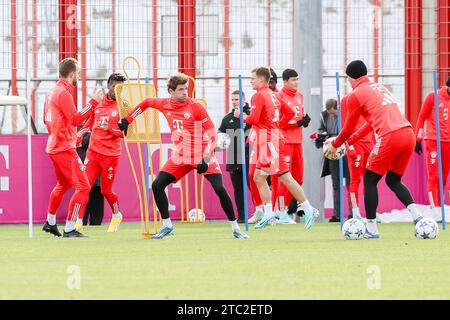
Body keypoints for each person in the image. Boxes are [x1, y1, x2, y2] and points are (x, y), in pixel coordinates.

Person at [117, 72, 249, 239]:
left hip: (202, 154)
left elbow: (213, 135)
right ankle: (167, 226)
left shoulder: (195, 106)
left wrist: (206, 158)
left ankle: (236, 228)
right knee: (157, 185)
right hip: (180, 156)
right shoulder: (164, 104)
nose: (185, 92)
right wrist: (128, 119)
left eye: (186, 89)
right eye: (181, 89)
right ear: (171, 91)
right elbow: (146, 103)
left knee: (219, 189)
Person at [325, 60, 424, 238]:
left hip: (390, 136)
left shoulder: (355, 95)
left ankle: (371, 228)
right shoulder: (379, 87)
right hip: (408, 134)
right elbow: (370, 124)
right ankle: (418, 216)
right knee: (393, 181)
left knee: (370, 180)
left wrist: (335, 144)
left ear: (350, 78)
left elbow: (347, 128)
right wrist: (350, 141)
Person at [244, 66, 320, 230]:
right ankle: (269, 214)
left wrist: (243, 117)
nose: (251, 81)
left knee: (285, 177)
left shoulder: (258, 96)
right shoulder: (273, 94)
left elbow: (254, 119)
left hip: (270, 140)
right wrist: (276, 125)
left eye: (253, 78)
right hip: (271, 138)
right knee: (259, 177)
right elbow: (290, 113)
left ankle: (308, 208)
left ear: (262, 79)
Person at [42, 57, 103, 238]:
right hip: (63, 147)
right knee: (83, 187)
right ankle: (69, 228)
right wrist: (93, 102)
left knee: (63, 184)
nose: (79, 76)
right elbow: (75, 119)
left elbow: (48, 120)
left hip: (54, 144)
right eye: (78, 73)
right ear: (72, 74)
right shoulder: (63, 93)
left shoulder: (52, 91)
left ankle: (50, 222)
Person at [76, 73, 127, 233]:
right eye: (114, 86)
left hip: (110, 156)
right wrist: (80, 133)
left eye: (120, 87)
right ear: (109, 85)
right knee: (84, 186)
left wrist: (113, 130)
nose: (117, 90)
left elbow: (126, 133)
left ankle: (117, 214)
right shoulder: (99, 102)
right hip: (92, 153)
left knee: (106, 190)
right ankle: (77, 222)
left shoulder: (124, 106)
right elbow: (90, 121)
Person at [272, 68, 311, 224]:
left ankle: (280, 209)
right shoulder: (279, 97)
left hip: (298, 142)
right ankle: (281, 212)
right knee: (284, 179)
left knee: (299, 179)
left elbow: (298, 116)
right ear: (285, 81)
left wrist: (304, 121)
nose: (297, 82)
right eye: (293, 80)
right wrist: (296, 122)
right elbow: (278, 123)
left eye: (298, 79)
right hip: (285, 141)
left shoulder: (300, 96)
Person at [415, 77, 450, 221]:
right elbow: (421, 117)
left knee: (443, 178)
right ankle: (434, 209)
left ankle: (439, 207)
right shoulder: (433, 96)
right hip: (433, 141)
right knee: (434, 176)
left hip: (448, 142)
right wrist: (417, 138)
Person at [218, 90, 251, 223]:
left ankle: (262, 213)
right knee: (238, 189)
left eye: (237, 99)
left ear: (244, 99)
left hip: (249, 157)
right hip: (234, 157)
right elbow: (220, 133)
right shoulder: (227, 118)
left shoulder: (250, 115)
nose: (234, 102)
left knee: (253, 186)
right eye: (232, 99)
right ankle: (242, 217)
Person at [316, 98, 351, 222]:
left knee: (350, 183)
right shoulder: (324, 116)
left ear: (338, 109)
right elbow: (320, 129)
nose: (332, 115)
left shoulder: (346, 114)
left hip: (346, 151)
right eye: (330, 113)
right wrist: (322, 134)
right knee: (336, 184)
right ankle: (337, 214)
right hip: (332, 151)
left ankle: (352, 213)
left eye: (333, 113)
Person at [75, 131, 104, 226]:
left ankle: (96, 223)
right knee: (84, 193)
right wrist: (94, 131)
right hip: (84, 165)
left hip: (98, 164)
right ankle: (80, 221)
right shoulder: (79, 126)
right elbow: (84, 143)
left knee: (98, 192)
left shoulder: (100, 123)